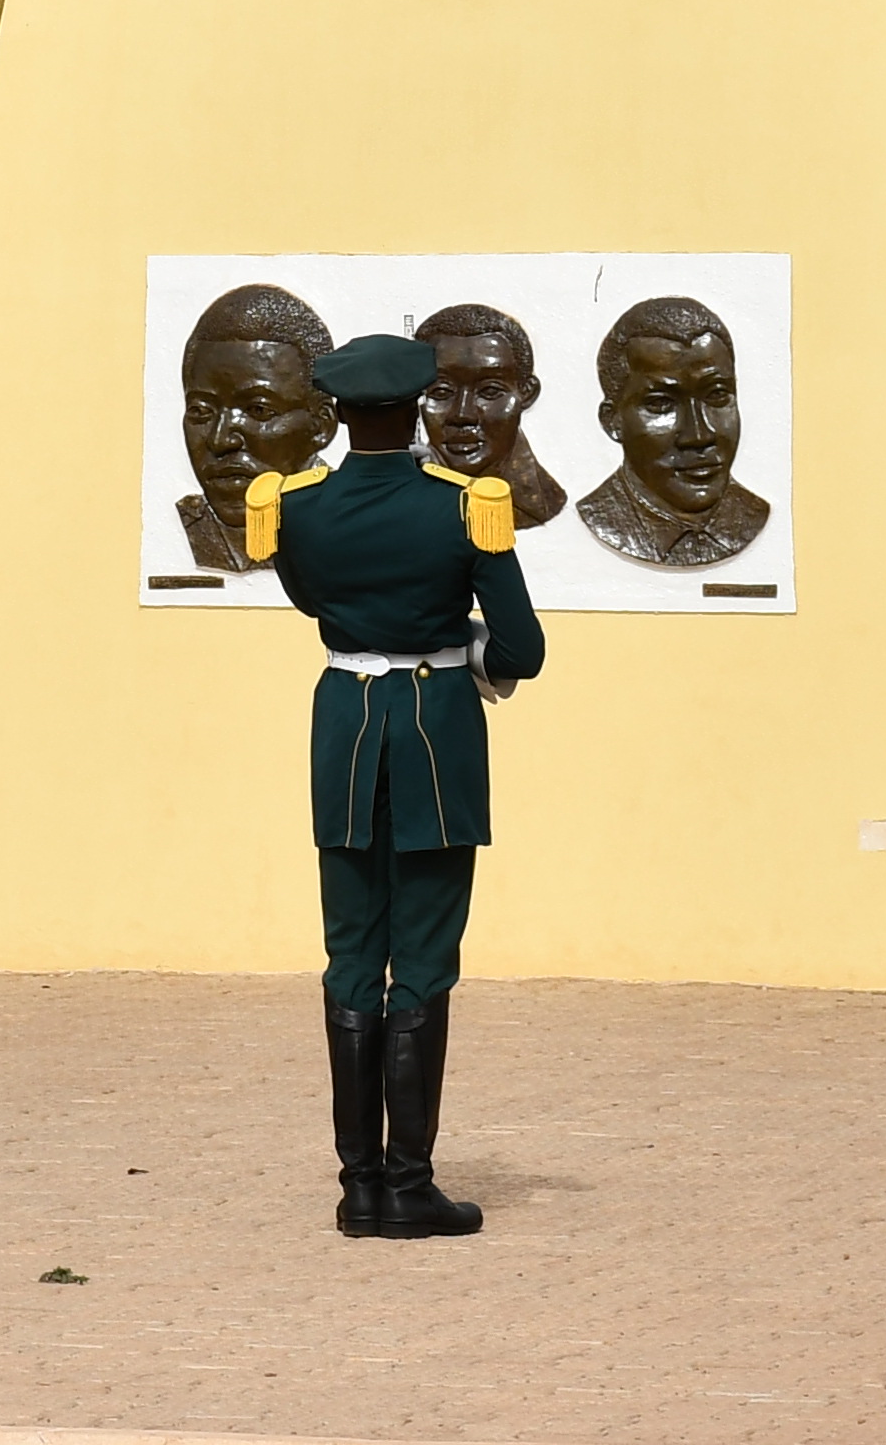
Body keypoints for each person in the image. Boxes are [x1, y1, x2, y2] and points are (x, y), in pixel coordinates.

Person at [254, 333, 546, 1239]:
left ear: (338, 412)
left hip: (343, 727)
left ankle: (359, 1188)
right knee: (420, 955)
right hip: (433, 734)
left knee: (351, 951)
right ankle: (410, 1185)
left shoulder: (295, 508)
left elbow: (311, 604)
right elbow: (523, 652)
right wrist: (462, 643)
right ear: (419, 407)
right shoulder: (466, 507)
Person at [573, 292, 771, 569]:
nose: (699, 435)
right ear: (612, 420)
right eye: (661, 403)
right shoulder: (601, 517)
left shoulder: (752, 514)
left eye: (716, 396)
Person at [173, 280, 338, 570]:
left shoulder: (353, 526)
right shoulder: (188, 527)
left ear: (321, 426)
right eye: (201, 411)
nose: (221, 439)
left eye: (259, 409)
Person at [413, 300, 567, 532]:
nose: (463, 414)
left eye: (490, 391)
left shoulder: (542, 502)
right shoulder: (406, 501)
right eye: (441, 391)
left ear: (526, 393)